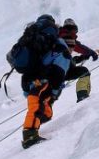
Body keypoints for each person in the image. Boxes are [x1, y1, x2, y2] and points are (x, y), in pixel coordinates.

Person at [20, 14, 73, 149]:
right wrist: (55, 90)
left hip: (28, 79)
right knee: (37, 104)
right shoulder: (56, 43)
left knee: (45, 111)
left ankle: (33, 123)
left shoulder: (31, 39)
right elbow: (60, 68)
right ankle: (29, 135)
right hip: (44, 79)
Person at [58, 18, 99, 102]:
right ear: (72, 28)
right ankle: (82, 96)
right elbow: (79, 47)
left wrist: (81, 58)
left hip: (50, 73)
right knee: (84, 72)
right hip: (59, 73)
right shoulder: (66, 37)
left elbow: (63, 59)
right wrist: (91, 53)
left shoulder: (57, 37)